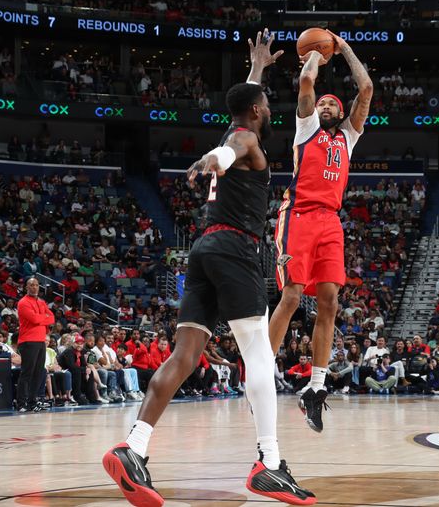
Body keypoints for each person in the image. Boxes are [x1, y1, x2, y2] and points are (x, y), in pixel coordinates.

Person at [103, 30, 315, 507]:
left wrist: (257, 68)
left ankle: (133, 446)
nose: (268, 109)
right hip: (236, 250)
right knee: (259, 354)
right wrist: (213, 159)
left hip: (203, 249)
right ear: (259, 112)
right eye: (266, 103)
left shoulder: (237, 125)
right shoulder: (245, 140)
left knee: (184, 356)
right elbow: (234, 145)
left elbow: (239, 116)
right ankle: (270, 464)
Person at [268, 29, 373, 433]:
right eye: (324, 104)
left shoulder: (347, 138)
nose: (327, 105)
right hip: (298, 214)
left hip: (330, 220)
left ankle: (315, 387)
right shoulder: (307, 128)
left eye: (333, 103)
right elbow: (308, 82)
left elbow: (365, 87)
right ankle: (263, 370)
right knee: (292, 295)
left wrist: (343, 47)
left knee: (329, 301)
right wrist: (314, 54)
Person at [16, 277, 55, 412]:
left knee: (39, 372)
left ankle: (32, 402)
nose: (34, 287)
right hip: (28, 341)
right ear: (26, 287)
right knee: (27, 372)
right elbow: (34, 319)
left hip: (40, 341)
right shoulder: (23, 303)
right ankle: (21, 403)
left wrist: (42, 319)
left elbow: (52, 318)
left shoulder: (42, 302)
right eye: (31, 285)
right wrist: (44, 318)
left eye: (36, 285)